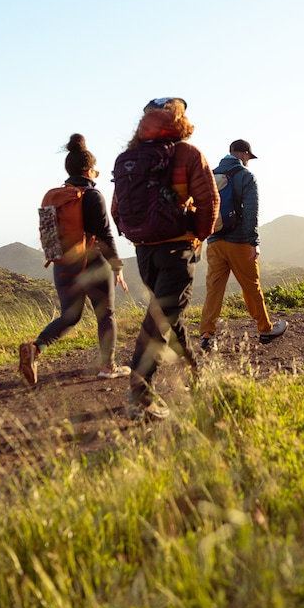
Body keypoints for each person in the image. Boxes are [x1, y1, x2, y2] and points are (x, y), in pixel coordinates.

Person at [111, 97, 218, 421]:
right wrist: (198, 236)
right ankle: (139, 395)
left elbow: (117, 208)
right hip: (177, 248)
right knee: (161, 318)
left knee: (171, 314)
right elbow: (209, 200)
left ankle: (198, 373)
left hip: (144, 251)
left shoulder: (128, 158)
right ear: (179, 121)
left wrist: (135, 235)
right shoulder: (187, 153)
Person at [19, 134, 129, 385]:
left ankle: (36, 349)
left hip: (63, 264)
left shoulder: (55, 196)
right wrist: (117, 266)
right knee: (106, 314)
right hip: (92, 262)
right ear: (90, 171)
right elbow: (104, 235)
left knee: (70, 315)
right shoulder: (93, 196)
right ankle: (107, 365)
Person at [198, 139, 287, 351]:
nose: (249, 161)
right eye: (249, 157)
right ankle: (265, 329)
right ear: (245, 154)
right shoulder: (246, 176)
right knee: (251, 286)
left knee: (214, 290)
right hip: (238, 243)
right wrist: (253, 241)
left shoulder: (210, 175)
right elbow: (251, 212)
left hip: (215, 242)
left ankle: (207, 335)